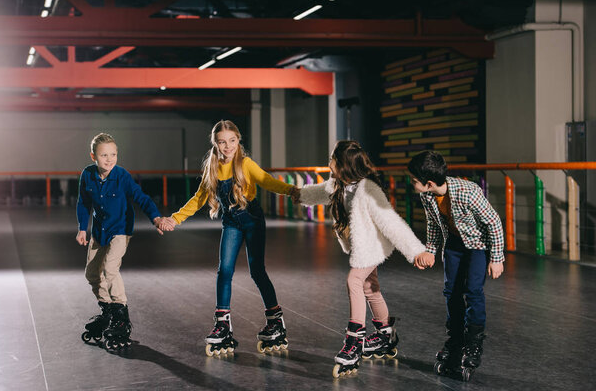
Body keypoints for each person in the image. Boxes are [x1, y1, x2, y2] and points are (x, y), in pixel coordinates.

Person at [158, 119, 300, 356]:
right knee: (224, 271)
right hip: (231, 223)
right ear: (215, 144)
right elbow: (199, 198)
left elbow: (267, 180)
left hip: (252, 220)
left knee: (257, 270)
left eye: (232, 141)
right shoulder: (212, 168)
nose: (228, 146)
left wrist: (292, 190)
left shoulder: (245, 164)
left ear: (238, 140)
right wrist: (175, 219)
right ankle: (222, 325)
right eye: (222, 142)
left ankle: (275, 320)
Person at [297, 140, 432, 378]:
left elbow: (391, 221)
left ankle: (354, 341)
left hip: (372, 245)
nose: (329, 163)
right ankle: (385, 334)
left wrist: (415, 251)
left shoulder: (368, 189)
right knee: (370, 287)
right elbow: (321, 191)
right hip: (362, 244)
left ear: (344, 165)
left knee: (354, 282)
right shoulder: (339, 184)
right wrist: (299, 195)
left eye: (333, 159)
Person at [407, 150, 504, 381]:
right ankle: (456, 339)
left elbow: (493, 221)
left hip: (477, 245)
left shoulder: (468, 192)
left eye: (414, 180)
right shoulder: (428, 196)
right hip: (453, 243)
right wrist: (430, 251)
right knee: (451, 291)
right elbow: (433, 225)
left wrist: (497, 257)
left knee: (473, 291)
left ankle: (473, 343)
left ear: (428, 183)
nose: (411, 183)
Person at [76, 132, 164, 351]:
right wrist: (81, 228)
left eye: (113, 154)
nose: (109, 159)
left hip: (120, 230)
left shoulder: (122, 176)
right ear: (93, 156)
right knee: (92, 273)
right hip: (99, 231)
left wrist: (156, 218)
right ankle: (107, 311)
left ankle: (121, 316)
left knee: (110, 269)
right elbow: (83, 203)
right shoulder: (87, 175)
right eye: (104, 155)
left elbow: (141, 197)